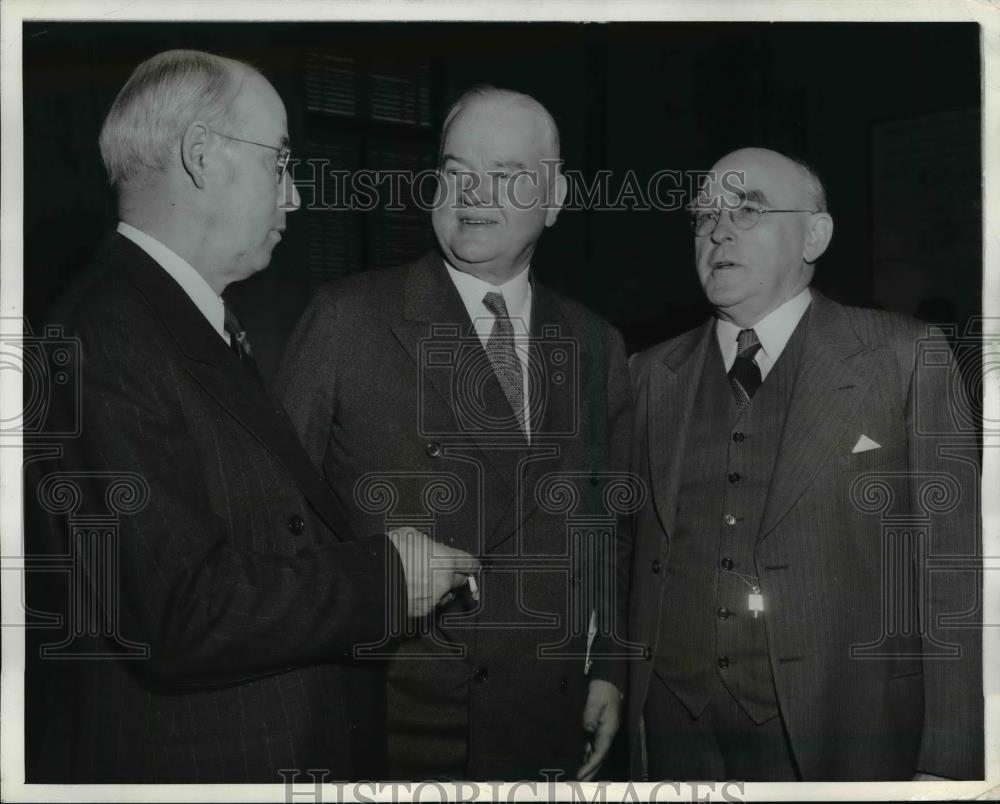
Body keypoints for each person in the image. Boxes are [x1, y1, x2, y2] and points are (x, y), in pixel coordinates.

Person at [25, 49, 477, 783]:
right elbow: (182, 611)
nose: (294, 196)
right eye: (281, 162)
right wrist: (386, 580)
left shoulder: (171, 321)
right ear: (202, 156)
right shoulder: (106, 336)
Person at [278, 86, 634, 781]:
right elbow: (275, 530)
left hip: (546, 723)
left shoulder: (597, 344)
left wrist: (607, 668)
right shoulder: (347, 321)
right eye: (456, 170)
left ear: (555, 198)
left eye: (505, 174)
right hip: (397, 728)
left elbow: (609, 529)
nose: (473, 192)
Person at [626, 147, 983, 781]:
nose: (718, 230)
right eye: (704, 215)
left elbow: (954, 571)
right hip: (675, 731)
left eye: (747, 209)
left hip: (846, 731)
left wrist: (951, 762)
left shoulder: (905, 356)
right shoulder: (649, 374)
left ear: (813, 236)